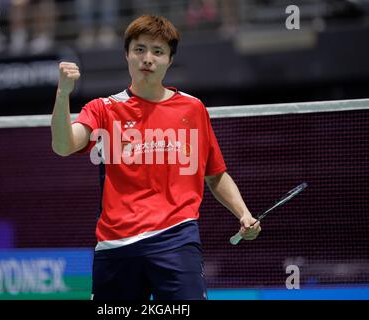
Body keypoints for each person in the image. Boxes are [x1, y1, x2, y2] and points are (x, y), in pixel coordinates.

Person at [51, 15, 261, 300]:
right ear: (126, 54)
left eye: (158, 51)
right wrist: (63, 94)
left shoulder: (193, 109)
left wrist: (243, 213)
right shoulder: (103, 109)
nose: (147, 59)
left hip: (177, 240)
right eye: (139, 49)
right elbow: (63, 145)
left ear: (170, 60)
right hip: (117, 246)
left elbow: (215, 174)